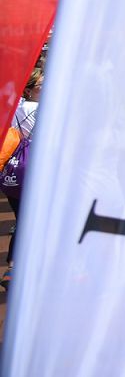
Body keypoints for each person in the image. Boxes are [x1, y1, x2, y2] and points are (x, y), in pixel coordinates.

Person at [2, 68, 42, 290]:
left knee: (22, 218)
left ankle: (13, 267)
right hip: (33, 172)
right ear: (29, 90)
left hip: (10, 171)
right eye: (41, 85)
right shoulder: (38, 110)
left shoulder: (11, 107)